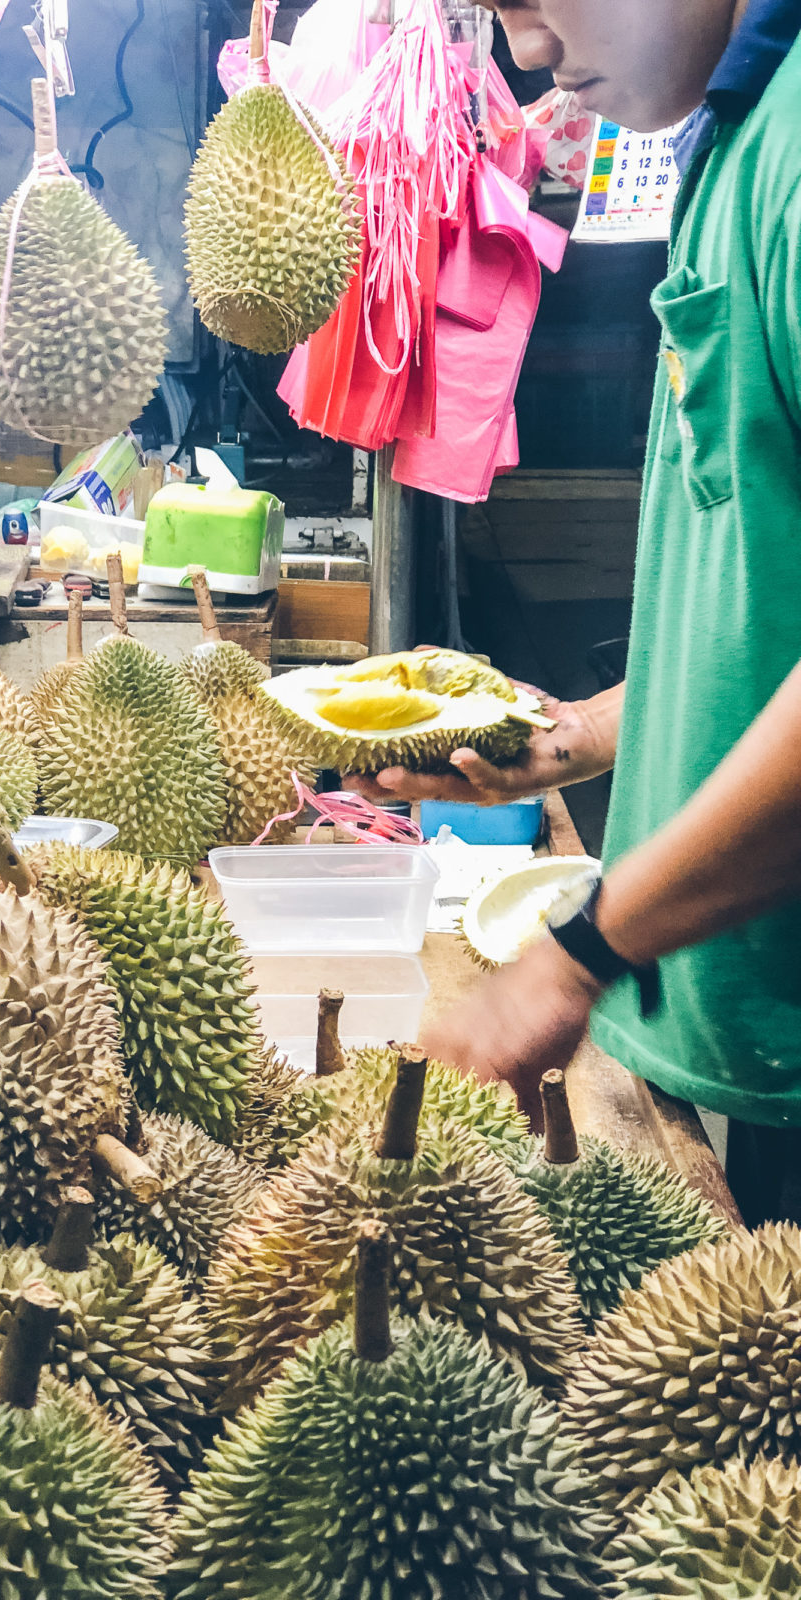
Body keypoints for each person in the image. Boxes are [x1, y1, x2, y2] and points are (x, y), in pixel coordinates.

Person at [353, 0, 801, 1225]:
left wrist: (582, 950)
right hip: (758, 1046)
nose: (527, 49)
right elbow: (757, 600)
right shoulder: (733, 142)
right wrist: (576, 739)